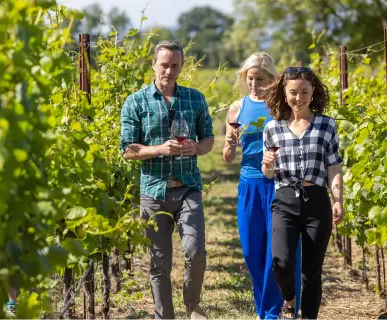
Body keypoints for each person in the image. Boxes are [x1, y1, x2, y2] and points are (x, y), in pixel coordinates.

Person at [120, 40, 215, 319]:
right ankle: (165, 316)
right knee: (159, 263)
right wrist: (160, 149)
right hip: (153, 191)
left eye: (175, 65)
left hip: (188, 188)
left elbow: (208, 137)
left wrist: (197, 147)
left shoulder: (195, 98)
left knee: (195, 251)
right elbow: (127, 149)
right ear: (153, 65)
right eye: (164, 65)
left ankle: (193, 305)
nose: (169, 71)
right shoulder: (135, 101)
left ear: (181, 66)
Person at [223, 52, 301, 319]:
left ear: (271, 79)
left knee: (275, 255)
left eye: (260, 79)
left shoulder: (280, 107)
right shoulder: (236, 108)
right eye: (250, 78)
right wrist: (230, 144)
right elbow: (228, 157)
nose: (254, 84)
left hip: (278, 184)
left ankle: (271, 313)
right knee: (251, 252)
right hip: (249, 185)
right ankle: (266, 308)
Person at [262, 66, 344, 319]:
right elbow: (268, 174)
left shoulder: (326, 125)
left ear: (313, 92)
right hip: (285, 199)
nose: (299, 98)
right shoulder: (272, 128)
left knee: (312, 272)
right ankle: (289, 299)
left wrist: (338, 199)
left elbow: (334, 166)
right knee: (281, 263)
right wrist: (267, 164)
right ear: (284, 93)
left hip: (316, 200)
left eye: (304, 92)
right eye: (293, 92)